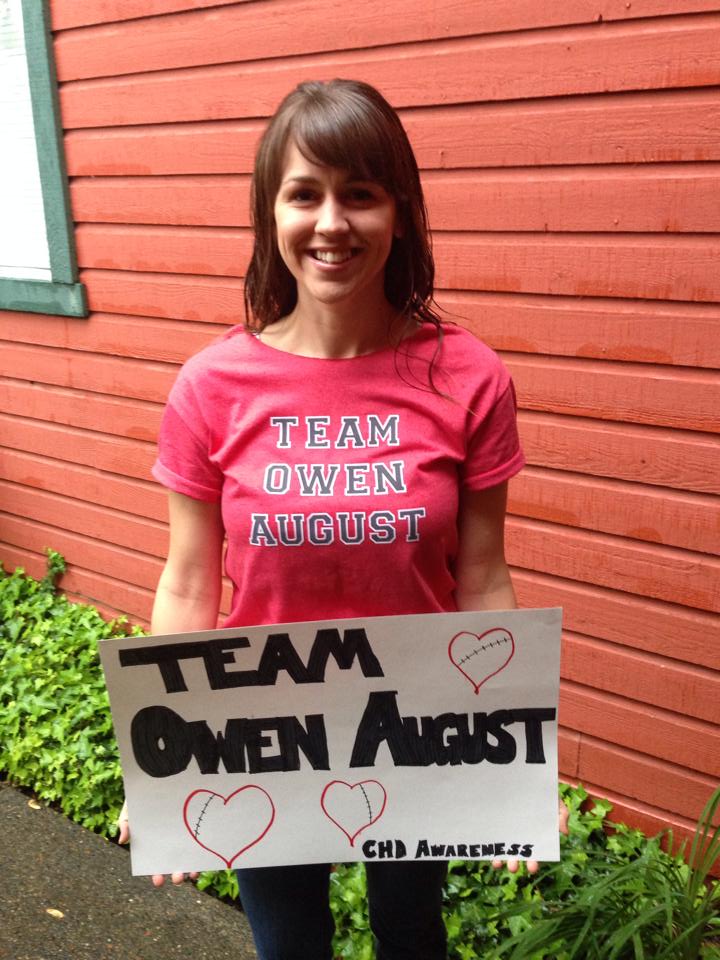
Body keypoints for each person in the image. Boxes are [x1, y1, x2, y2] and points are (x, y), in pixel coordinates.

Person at [118, 78, 567, 960]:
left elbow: (482, 578)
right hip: (260, 730)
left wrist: (518, 766)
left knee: (411, 935)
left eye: (359, 193)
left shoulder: (469, 377)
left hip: (422, 725)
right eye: (304, 194)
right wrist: (162, 761)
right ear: (270, 213)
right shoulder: (210, 387)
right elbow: (190, 580)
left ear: (399, 213)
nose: (331, 223)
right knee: (290, 947)